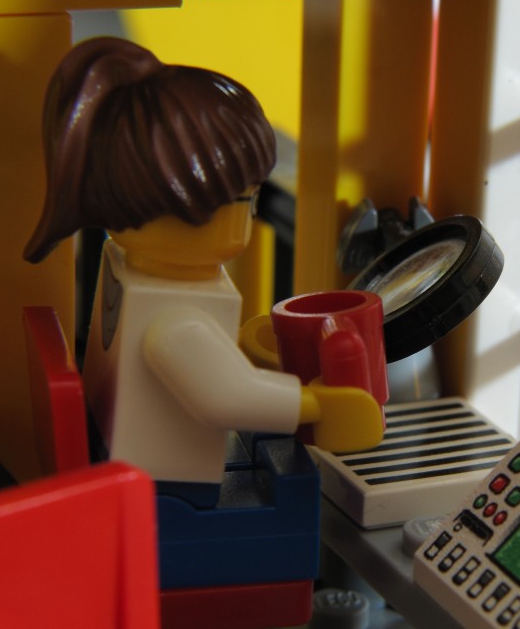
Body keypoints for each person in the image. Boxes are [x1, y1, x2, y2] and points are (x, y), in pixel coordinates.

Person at [24, 37, 381, 505]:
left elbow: (205, 368)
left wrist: (240, 347)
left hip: (122, 457)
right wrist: (317, 404)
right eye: (247, 198)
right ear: (191, 202)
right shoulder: (176, 315)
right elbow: (226, 396)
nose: (251, 212)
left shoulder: (124, 262)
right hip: (168, 494)